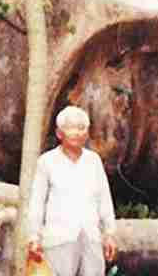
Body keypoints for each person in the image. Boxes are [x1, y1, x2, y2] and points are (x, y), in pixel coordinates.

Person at [27, 106, 117, 276]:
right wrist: (33, 237)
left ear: (87, 133)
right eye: (70, 128)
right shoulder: (47, 162)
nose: (76, 132)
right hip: (58, 238)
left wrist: (109, 233)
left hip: (91, 238)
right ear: (59, 133)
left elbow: (104, 198)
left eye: (81, 128)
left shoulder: (93, 161)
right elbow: (37, 202)